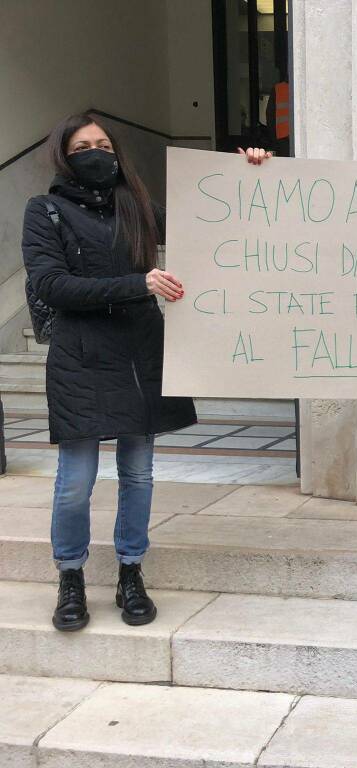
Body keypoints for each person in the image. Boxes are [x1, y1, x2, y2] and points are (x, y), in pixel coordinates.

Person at [21, 113, 271, 632]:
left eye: (104, 143)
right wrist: (139, 283)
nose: (96, 151)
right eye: (84, 144)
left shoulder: (137, 206)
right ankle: (71, 577)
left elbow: (210, 222)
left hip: (141, 353)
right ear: (65, 155)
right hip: (80, 357)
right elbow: (52, 286)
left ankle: (131, 573)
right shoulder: (44, 210)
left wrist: (247, 174)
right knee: (75, 481)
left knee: (138, 474)